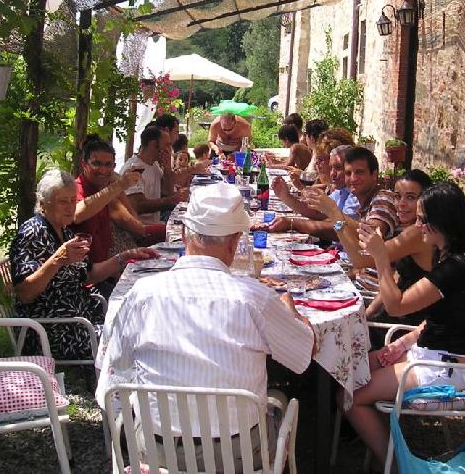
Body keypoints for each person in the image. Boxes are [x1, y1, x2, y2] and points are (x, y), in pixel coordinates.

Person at [97, 183, 315, 470]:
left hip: (157, 451)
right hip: (237, 457)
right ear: (234, 242)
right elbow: (303, 355)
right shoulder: (254, 297)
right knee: (281, 402)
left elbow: (115, 367)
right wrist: (293, 312)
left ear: (185, 233)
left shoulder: (141, 293)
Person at [344, 182, 465, 465]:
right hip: (432, 353)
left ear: (440, 223)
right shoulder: (452, 256)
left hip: (445, 369)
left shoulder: (456, 266)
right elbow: (442, 319)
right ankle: (381, 442)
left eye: (422, 219)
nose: (417, 226)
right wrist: (404, 342)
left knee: (349, 397)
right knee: (350, 368)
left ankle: (394, 465)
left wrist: (381, 258)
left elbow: (396, 306)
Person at [10, 169, 156, 361]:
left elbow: (89, 274)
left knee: (141, 320)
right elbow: (25, 292)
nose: (71, 207)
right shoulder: (33, 233)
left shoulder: (65, 232)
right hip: (52, 330)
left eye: (73, 200)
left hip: (82, 317)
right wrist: (57, 260)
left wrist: (125, 257)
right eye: (63, 201)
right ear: (44, 204)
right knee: (135, 338)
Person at [364, 169, 435, 335]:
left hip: (404, 328)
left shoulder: (418, 233)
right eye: (397, 196)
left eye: (410, 197)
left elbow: (362, 259)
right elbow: (395, 281)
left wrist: (336, 219)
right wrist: (367, 316)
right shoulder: (411, 230)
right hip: (392, 319)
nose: (401, 204)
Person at [303, 146, 398, 266]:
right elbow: (339, 227)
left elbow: (372, 235)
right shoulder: (363, 203)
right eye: (348, 173)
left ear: (374, 175)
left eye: (359, 172)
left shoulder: (383, 197)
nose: (353, 178)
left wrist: (333, 211)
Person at [72, 134, 144, 267]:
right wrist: (119, 185)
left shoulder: (107, 190)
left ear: (114, 166)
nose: (103, 170)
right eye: (96, 164)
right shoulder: (76, 188)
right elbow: (76, 214)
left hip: (106, 271)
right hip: (85, 278)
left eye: (108, 165)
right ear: (84, 165)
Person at [263, 144, 360, 240]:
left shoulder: (355, 194)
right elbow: (319, 213)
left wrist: (293, 224)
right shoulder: (341, 190)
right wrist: (286, 197)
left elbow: (340, 229)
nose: (332, 173)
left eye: (338, 168)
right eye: (331, 168)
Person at [121, 125, 198, 224]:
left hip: (155, 224)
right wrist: (172, 199)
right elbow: (138, 206)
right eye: (167, 145)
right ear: (153, 144)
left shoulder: (154, 164)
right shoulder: (133, 168)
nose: (169, 149)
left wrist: (167, 169)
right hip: (142, 231)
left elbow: (168, 191)